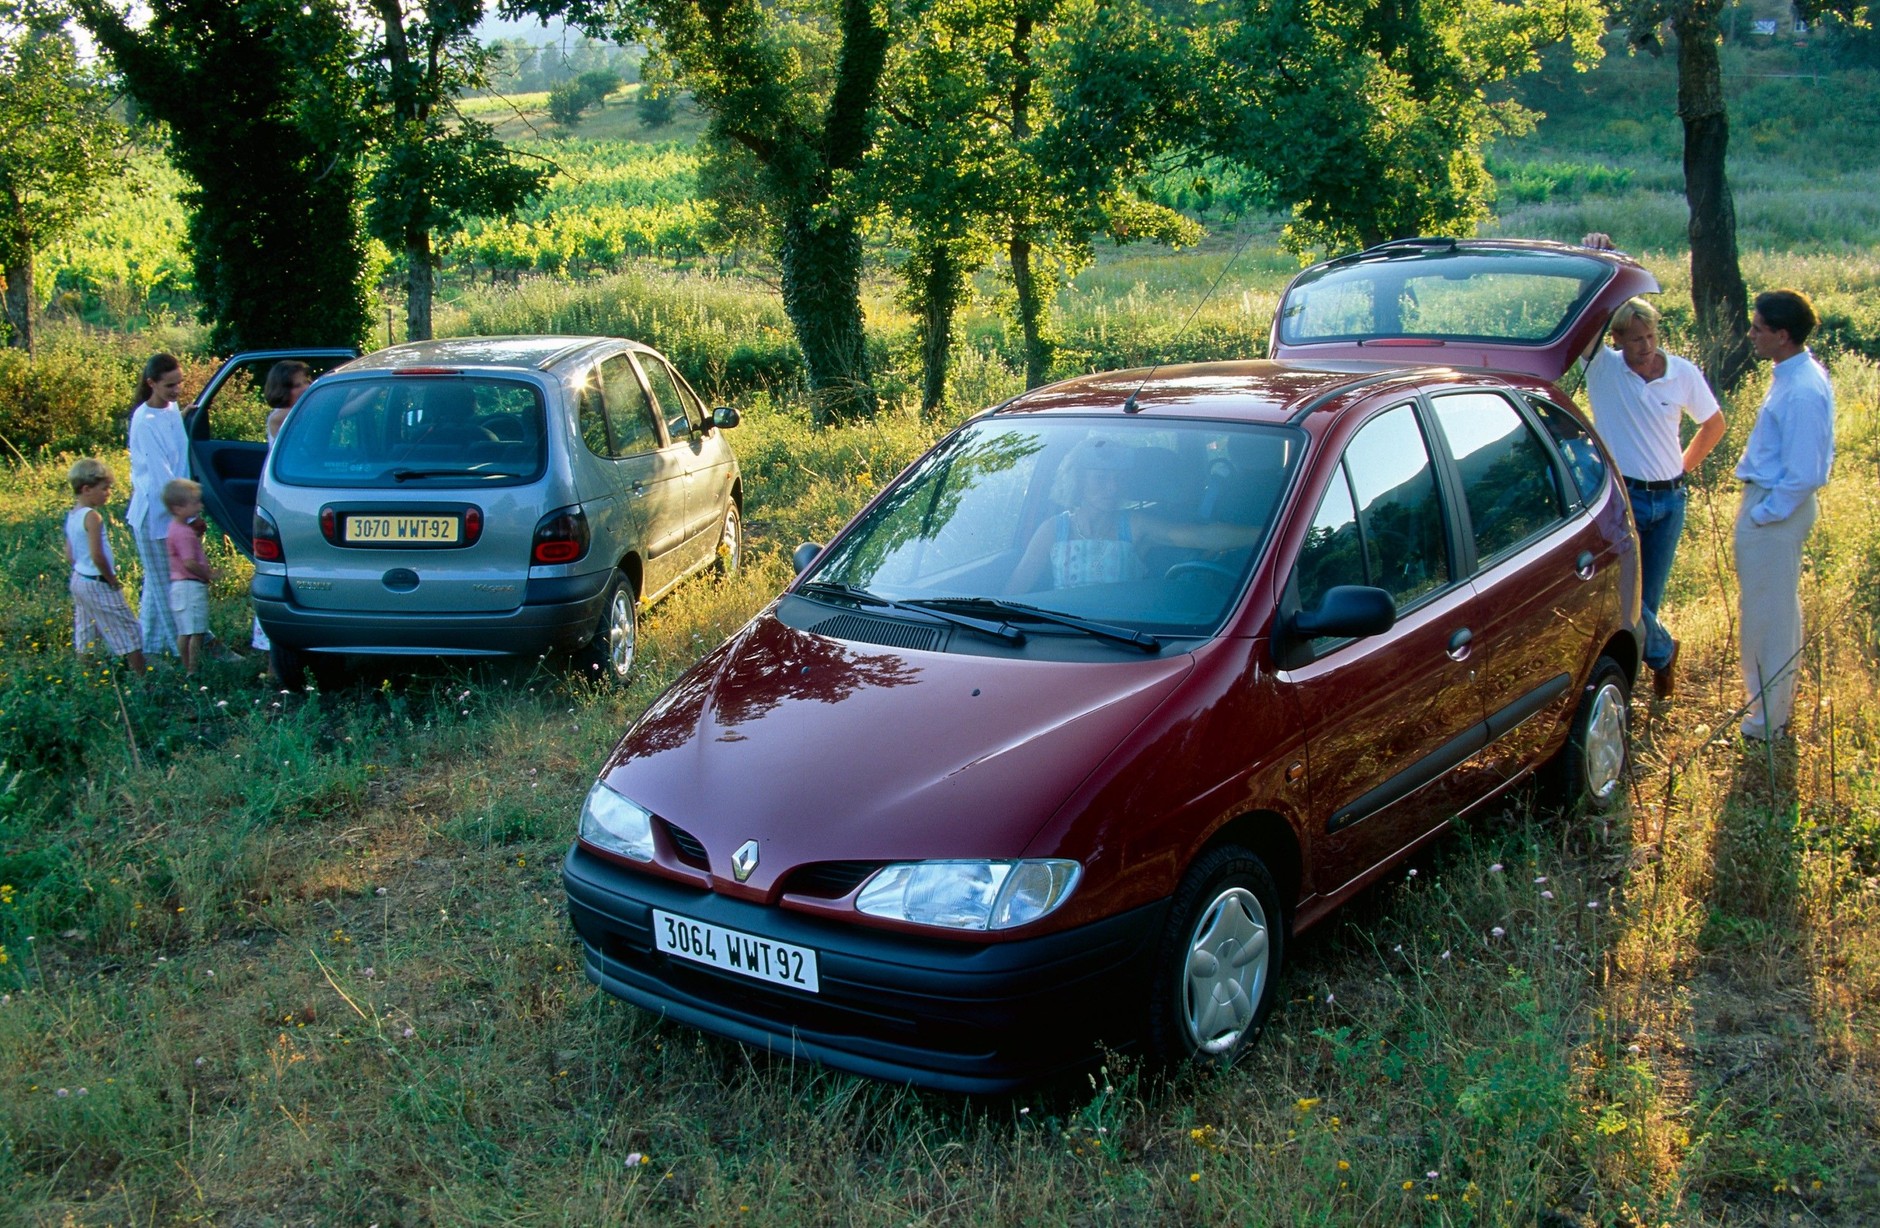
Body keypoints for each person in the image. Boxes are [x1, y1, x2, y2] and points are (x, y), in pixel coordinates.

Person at [1578, 235, 1727, 699]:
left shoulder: (1682, 372)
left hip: (1671, 499)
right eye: (1635, 339)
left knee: (1649, 598)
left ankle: (1651, 664)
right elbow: (1582, 318)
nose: (1645, 347)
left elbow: (1714, 424)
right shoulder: (1603, 368)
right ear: (1617, 339)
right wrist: (1597, 257)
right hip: (1625, 496)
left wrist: (1682, 469)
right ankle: (1661, 655)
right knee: (1627, 594)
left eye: (1650, 337)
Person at [1734, 289, 1835, 742]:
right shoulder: (1791, 375)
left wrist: (1765, 514)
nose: (1750, 334)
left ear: (1782, 335)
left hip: (1776, 509)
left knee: (1767, 619)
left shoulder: (1803, 389)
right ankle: (1769, 710)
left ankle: (1766, 721)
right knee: (1771, 612)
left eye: (1758, 328)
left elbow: (1806, 471)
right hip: (1770, 505)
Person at [1008, 437, 1261, 593]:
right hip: (1062, 636)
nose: (1113, 488)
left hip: (1126, 639)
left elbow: (1203, 536)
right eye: (1101, 478)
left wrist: (1268, 534)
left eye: (1119, 479)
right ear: (1077, 480)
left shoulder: (1134, 525)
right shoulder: (1053, 530)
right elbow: (1013, 593)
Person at [126, 353, 189, 657]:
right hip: (156, 514)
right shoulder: (144, 421)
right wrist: (185, 516)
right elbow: (161, 477)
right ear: (151, 383)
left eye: (179, 383)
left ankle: (149, 650)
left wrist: (186, 416)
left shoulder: (171, 409)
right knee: (169, 587)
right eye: (169, 385)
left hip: (174, 508)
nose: (176, 390)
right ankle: (186, 652)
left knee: (156, 583)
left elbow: (178, 452)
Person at [63, 458, 149, 678]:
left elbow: (69, 554)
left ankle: (85, 678)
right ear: (86, 489)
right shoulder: (93, 517)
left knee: (86, 630)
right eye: (104, 488)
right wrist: (111, 579)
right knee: (128, 628)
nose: (108, 493)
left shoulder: (73, 514)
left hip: (79, 579)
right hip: (97, 581)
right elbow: (97, 555)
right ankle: (143, 680)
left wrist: (81, 569)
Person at [253, 360, 312, 651]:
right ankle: (271, 654)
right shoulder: (282, 416)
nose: (307, 387)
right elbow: (339, 411)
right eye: (300, 384)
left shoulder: (297, 411)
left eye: (307, 381)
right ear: (283, 389)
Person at [163, 478, 219, 675]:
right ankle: (193, 670)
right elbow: (189, 563)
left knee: (184, 631)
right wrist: (208, 574)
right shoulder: (185, 533)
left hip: (178, 585)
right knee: (196, 632)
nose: (200, 506)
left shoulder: (172, 528)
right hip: (191, 586)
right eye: (195, 503)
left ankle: (186, 666)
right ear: (178, 508)